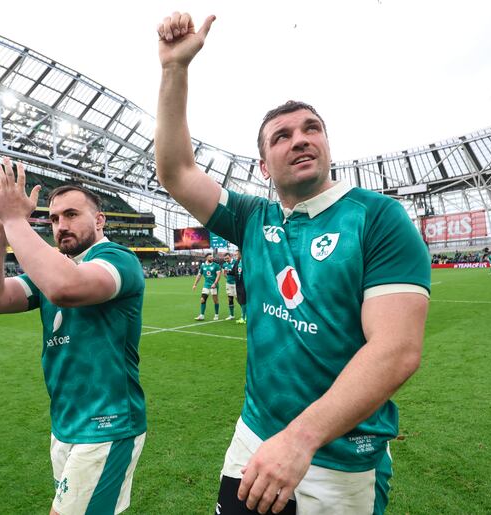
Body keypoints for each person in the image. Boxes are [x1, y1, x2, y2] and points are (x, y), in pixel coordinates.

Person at [155, 12, 430, 515]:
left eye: (311, 129)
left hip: (340, 457)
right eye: (281, 136)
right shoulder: (250, 217)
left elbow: (396, 349)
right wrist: (175, 69)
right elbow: (176, 171)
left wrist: (301, 438)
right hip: (254, 438)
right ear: (263, 165)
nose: (300, 138)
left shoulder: (379, 218)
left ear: (327, 145)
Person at [0, 158, 146, 515]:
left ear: (99, 221)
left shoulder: (118, 259)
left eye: (71, 215)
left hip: (106, 423)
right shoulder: (49, 269)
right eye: (52, 218)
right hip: (65, 422)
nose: (60, 225)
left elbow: (66, 288)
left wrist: (16, 218)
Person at [193, 252, 221, 320]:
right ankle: (202, 315)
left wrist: (215, 283)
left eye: (212, 257)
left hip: (213, 285)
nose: (212, 258)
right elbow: (199, 275)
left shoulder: (216, 265)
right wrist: (195, 284)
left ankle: (216, 315)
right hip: (206, 285)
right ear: (206, 258)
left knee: (215, 300)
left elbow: (218, 275)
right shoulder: (203, 266)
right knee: (202, 300)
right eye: (210, 257)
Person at [221, 252, 238, 320]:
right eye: (225, 259)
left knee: (239, 299)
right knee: (230, 299)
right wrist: (227, 278)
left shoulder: (236, 262)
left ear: (230, 257)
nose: (226, 260)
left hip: (236, 283)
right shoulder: (224, 264)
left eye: (227, 258)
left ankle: (244, 314)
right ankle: (232, 315)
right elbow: (224, 273)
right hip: (229, 283)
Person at [232, 249, 247, 324]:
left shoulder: (247, 261)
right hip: (238, 284)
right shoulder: (237, 262)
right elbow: (233, 272)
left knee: (244, 300)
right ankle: (245, 316)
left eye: (238, 254)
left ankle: (243, 317)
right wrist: (227, 272)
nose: (237, 255)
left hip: (245, 284)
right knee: (240, 300)